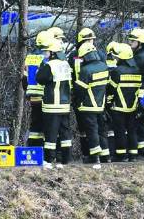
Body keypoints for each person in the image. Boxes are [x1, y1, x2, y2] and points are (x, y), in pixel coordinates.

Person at [72, 28, 110, 166]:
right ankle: (105, 157)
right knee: (101, 130)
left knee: (91, 130)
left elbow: (80, 88)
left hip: (87, 103)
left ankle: (95, 158)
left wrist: (76, 100)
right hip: (100, 103)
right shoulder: (103, 64)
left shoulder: (85, 69)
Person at [35, 31, 73, 168]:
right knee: (65, 134)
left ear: (52, 52)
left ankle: (49, 160)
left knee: (50, 134)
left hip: (52, 105)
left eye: (46, 51)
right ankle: (65, 160)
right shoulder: (66, 64)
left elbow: (40, 79)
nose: (45, 53)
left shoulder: (50, 65)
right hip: (65, 105)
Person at [106, 41, 142, 162]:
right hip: (133, 107)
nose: (115, 59)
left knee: (120, 131)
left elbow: (110, 90)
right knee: (132, 131)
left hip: (118, 107)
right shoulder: (137, 70)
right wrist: (141, 104)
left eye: (116, 57)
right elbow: (142, 89)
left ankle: (120, 155)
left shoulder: (117, 71)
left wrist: (108, 103)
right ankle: (133, 155)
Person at [128, 28, 144, 159]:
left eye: (133, 40)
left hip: (142, 93)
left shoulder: (140, 57)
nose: (130, 42)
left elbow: (137, 74)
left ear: (140, 42)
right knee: (140, 120)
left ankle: (143, 153)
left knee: (140, 120)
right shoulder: (141, 55)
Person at [23, 32, 47, 147]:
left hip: (32, 95)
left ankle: (33, 148)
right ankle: (43, 149)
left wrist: (27, 92)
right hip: (43, 94)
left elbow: (24, 78)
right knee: (45, 122)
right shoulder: (45, 57)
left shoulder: (29, 57)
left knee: (35, 122)